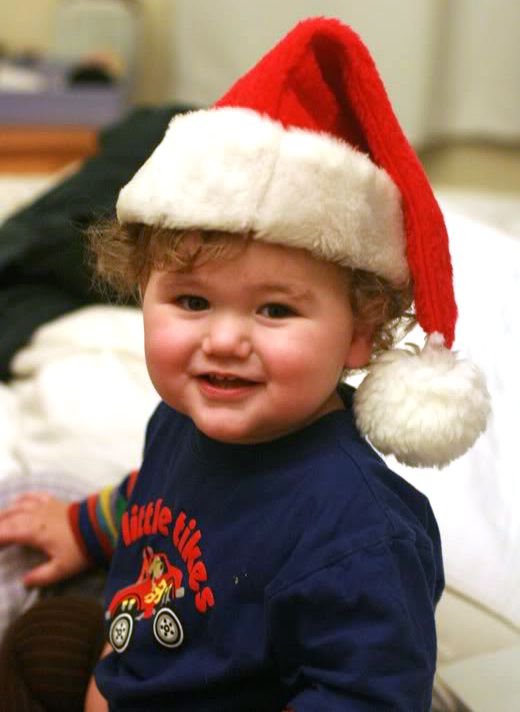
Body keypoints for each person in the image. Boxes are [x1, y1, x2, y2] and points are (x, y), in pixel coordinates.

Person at [0, 17, 490, 711]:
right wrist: (83, 527)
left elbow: (365, 692)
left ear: (360, 333)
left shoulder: (359, 534)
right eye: (193, 300)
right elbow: (150, 496)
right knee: (32, 643)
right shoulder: (182, 419)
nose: (225, 340)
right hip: (143, 655)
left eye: (274, 311)